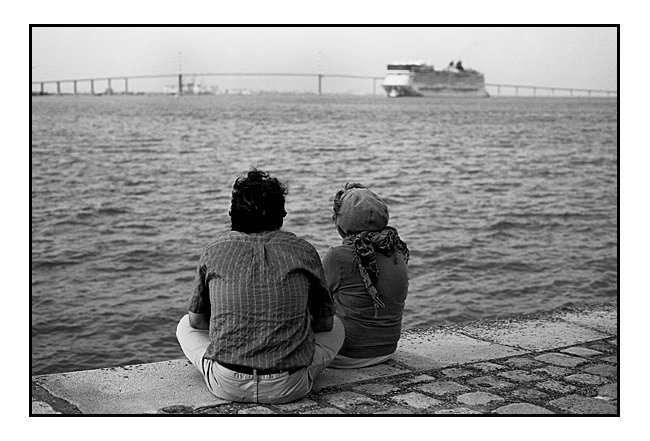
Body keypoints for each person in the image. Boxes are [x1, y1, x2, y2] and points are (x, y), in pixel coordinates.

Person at [176, 168, 344, 404]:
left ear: (234, 213)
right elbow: (325, 324)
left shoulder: (213, 251)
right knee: (338, 326)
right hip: (289, 385)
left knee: (185, 325)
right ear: (281, 214)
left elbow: (198, 322)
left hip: (228, 384)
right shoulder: (304, 250)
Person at [322, 183, 409, 369]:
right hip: (387, 349)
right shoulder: (397, 249)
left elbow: (314, 301)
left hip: (347, 354)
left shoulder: (338, 256)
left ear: (341, 222)